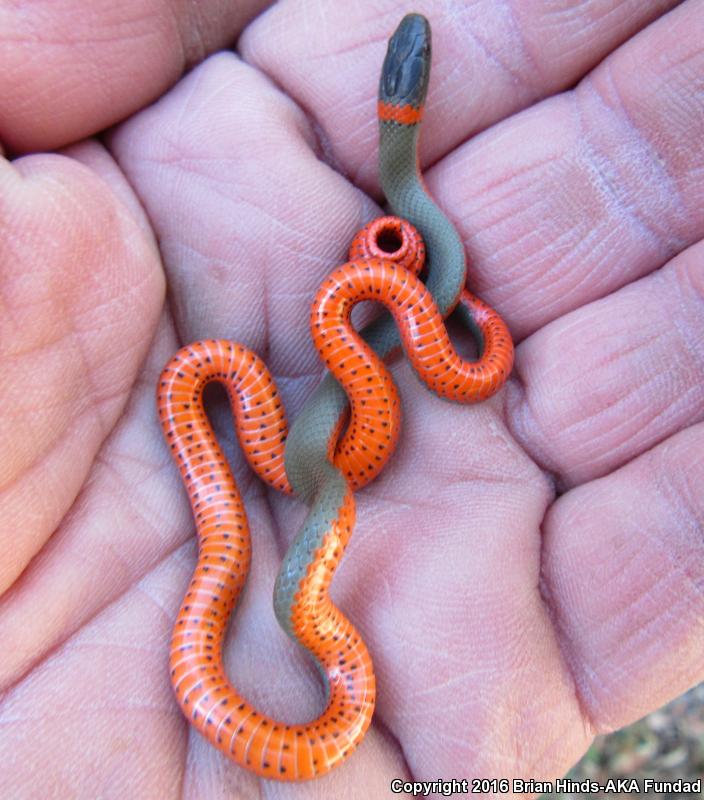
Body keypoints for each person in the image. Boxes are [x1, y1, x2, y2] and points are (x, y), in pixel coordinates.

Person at [0, 1, 701, 795]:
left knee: (333, 411)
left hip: (345, 410)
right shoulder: (366, 310)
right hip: (313, 412)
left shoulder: (377, 291)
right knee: (296, 401)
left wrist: (422, 304)